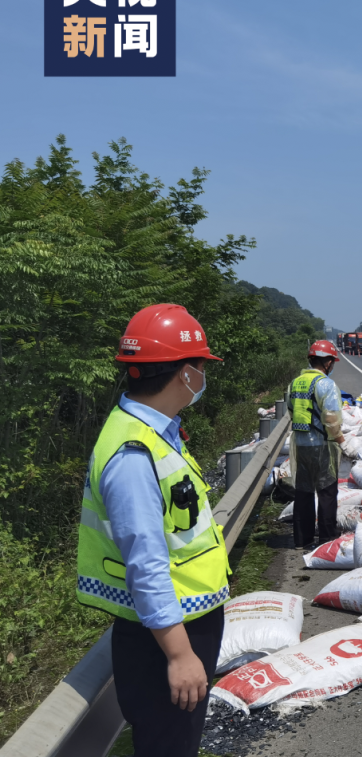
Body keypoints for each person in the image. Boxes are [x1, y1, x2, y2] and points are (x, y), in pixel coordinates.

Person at [77, 304, 229, 757]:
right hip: (165, 636)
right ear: (185, 374)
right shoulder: (131, 452)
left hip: (177, 623)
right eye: (201, 367)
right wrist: (181, 656)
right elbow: (145, 561)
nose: (203, 378)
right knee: (168, 747)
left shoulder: (154, 432)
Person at [287, 340, 345, 549]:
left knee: (303, 491)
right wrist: (342, 441)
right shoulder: (325, 384)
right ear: (327, 361)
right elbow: (331, 418)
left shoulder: (295, 383)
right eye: (332, 361)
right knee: (327, 491)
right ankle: (327, 538)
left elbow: (291, 411)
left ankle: (303, 539)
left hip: (301, 443)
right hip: (322, 444)